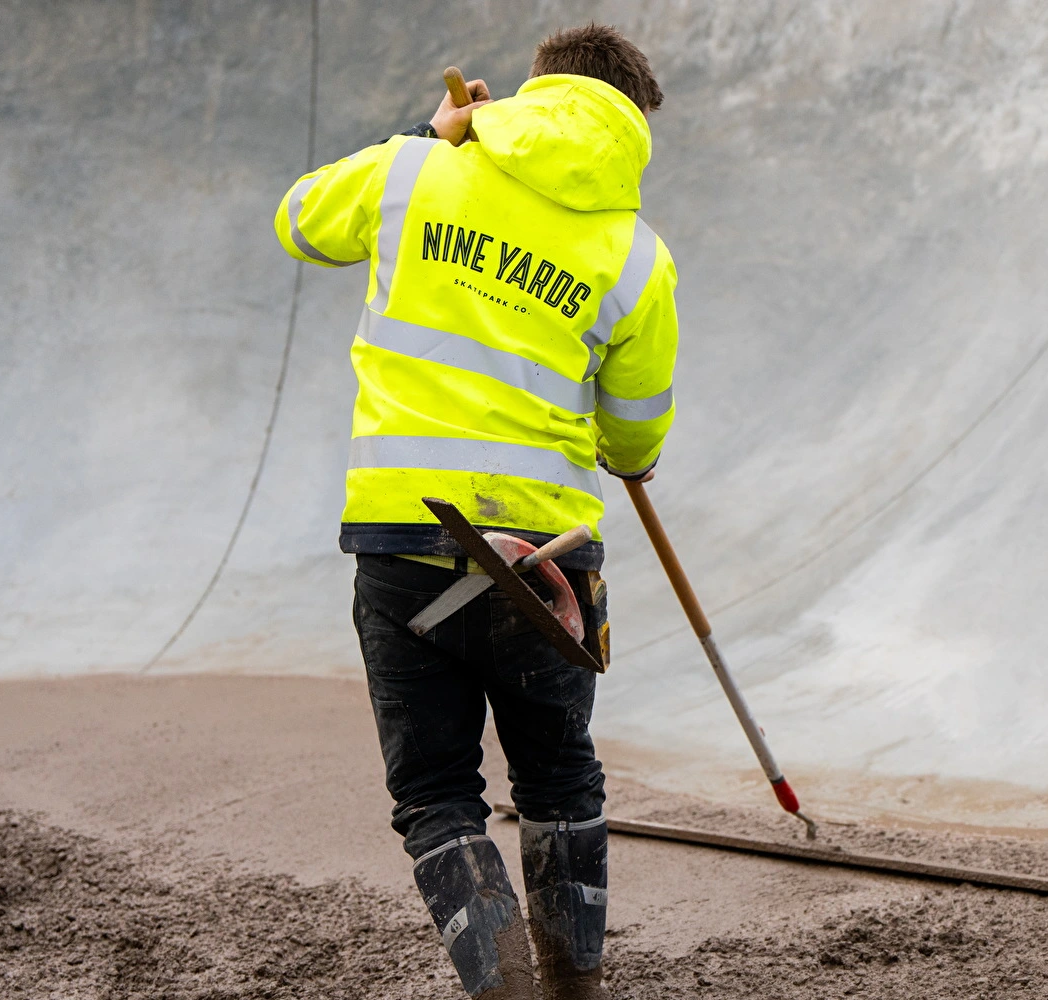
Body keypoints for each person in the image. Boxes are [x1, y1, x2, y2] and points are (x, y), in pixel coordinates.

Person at [272, 23, 677, 1000]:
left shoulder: (415, 171)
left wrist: (430, 132)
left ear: (530, 95)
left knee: (438, 795)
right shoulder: (636, 258)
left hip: (408, 534)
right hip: (551, 556)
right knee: (559, 780)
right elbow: (633, 445)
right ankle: (572, 993)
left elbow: (299, 221)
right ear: (627, 125)